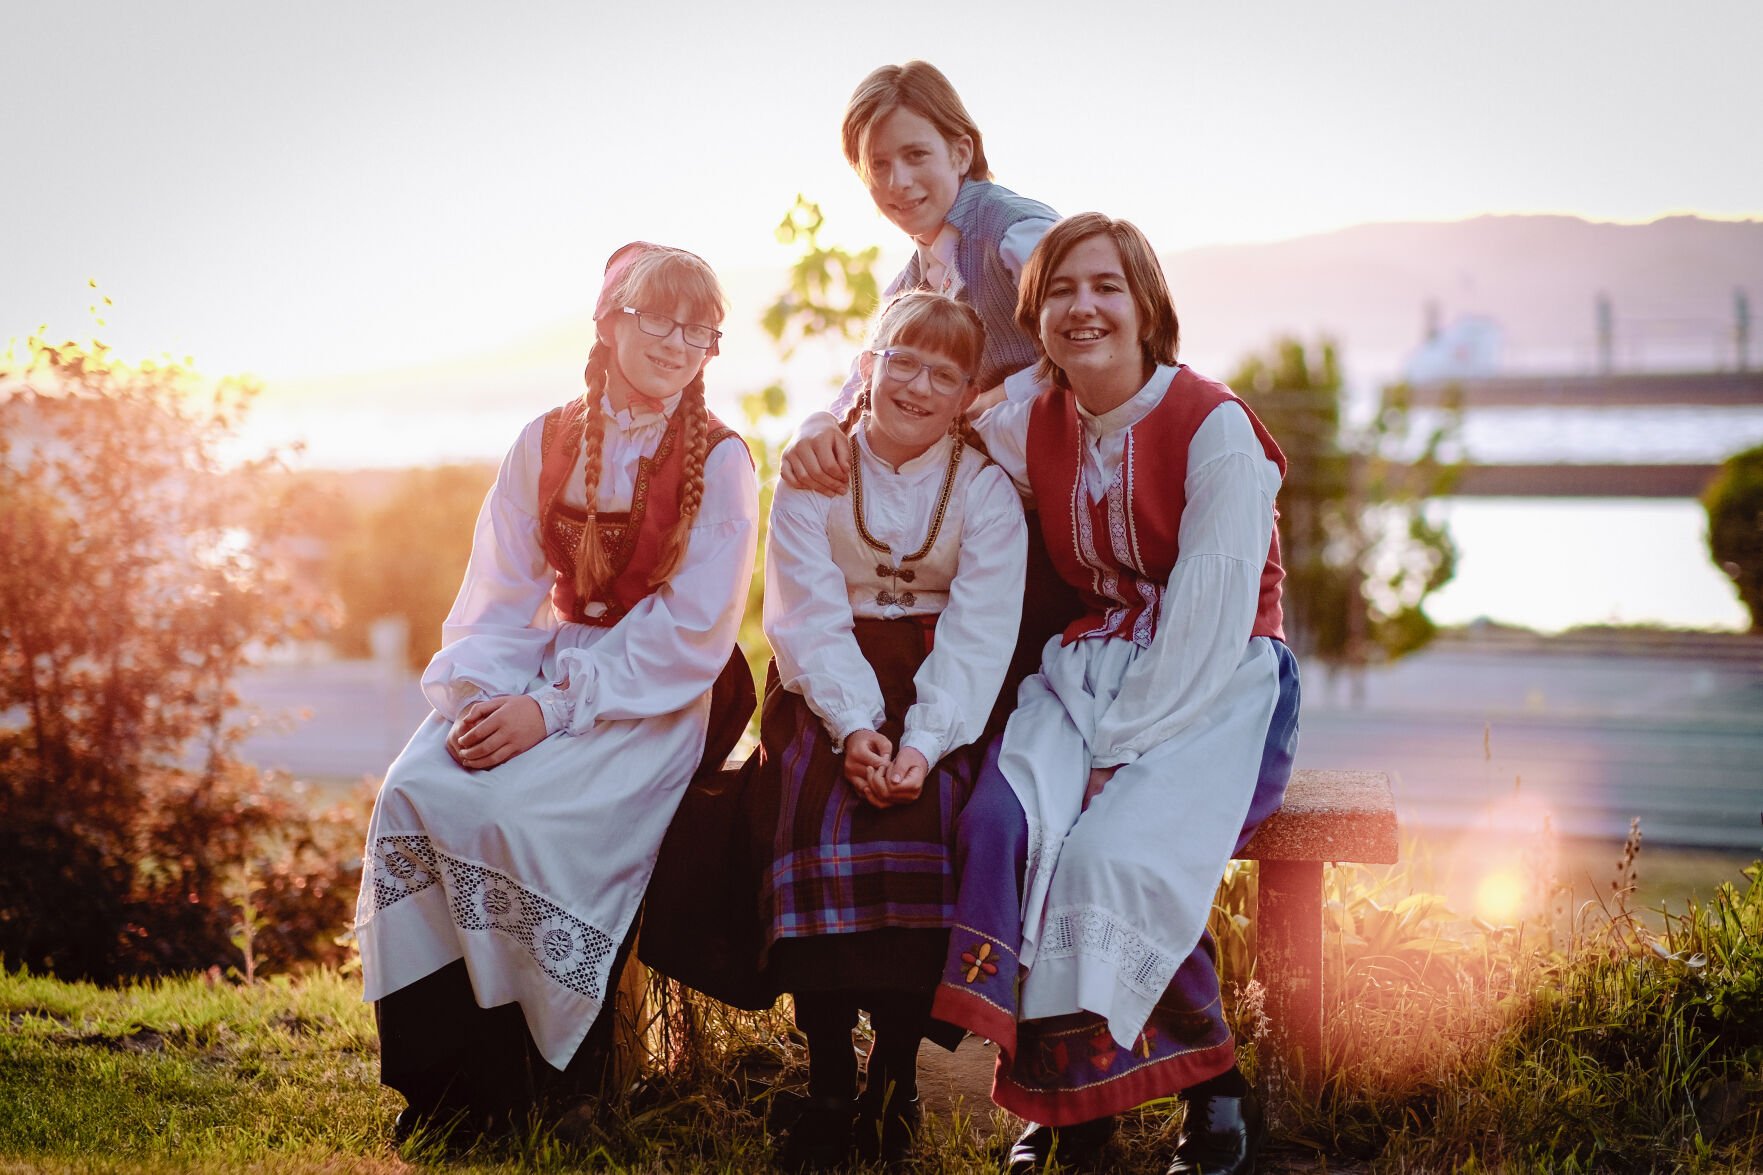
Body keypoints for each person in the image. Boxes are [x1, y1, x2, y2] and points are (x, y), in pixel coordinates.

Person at [353, 242, 760, 1142]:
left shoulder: (724, 461)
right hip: (534, 661)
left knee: (529, 822)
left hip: (648, 689)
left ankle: (533, 1085)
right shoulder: (545, 439)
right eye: (656, 317)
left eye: (697, 328)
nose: (676, 341)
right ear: (609, 320)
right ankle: (435, 1084)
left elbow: (694, 628)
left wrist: (554, 707)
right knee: (418, 790)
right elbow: (497, 592)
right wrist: (479, 698)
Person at [930, 214, 1301, 1175]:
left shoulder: (1214, 429)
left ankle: (1212, 1084)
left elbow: (1210, 623)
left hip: (1219, 686)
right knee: (1008, 829)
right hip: (1087, 669)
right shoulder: (1031, 415)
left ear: (1146, 305)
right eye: (1058, 290)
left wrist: (1116, 751)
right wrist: (820, 437)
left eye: (1104, 286)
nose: (1081, 307)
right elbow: (911, 412)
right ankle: (1072, 1104)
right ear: (1035, 314)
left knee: (1104, 851)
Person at [754, 291, 1027, 1169]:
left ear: (965, 398)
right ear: (866, 368)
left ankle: (896, 1077)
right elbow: (802, 613)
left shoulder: (984, 489)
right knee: (813, 816)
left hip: (942, 678)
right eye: (900, 361)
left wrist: (924, 741)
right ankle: (831, 1079)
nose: (916, 385)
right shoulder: (815, 471)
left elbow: (981, 631)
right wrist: (853, 728)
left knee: (934, 819)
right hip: (826, 677)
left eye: (942, 373)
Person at [781, 60, 1074, 729]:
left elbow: (1090, 320)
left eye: (915, 155)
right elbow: (865, 380)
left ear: (961, 149)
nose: (897, 181)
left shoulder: (1012, 228)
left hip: (1060, 501)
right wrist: (816, 425)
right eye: (876, 165)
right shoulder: (910, 282)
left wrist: (999, 395)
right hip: (1006, 514)